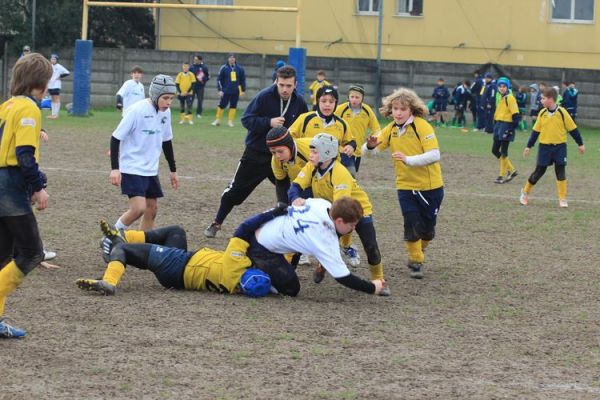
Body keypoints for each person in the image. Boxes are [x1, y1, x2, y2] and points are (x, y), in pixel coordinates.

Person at [204, 65, 308, 238]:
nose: (284, 89)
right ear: (276, 81)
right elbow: (246, 119)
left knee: (296, 194)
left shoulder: (300, 102)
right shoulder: (264, 96)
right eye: (281, 84)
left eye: (288, 86)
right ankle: (217, 222)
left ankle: (298, 233)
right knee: (235, 193)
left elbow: (306, 127)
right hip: (256, 154)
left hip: (283, 158)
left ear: (295, 85)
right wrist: (268, 122)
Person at [76, 215, 277, 297]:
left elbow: (244, 231)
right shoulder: (238, 286)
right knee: (176, 232)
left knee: (123, 251)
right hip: (182, 267)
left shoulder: (236, 264)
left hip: (176, 264)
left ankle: (109, 280)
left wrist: (272, 215)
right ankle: (119, 237)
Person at [363, 88, 444, 279]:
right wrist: (370, 146)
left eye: (402, 109)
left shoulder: (421, 126)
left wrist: (408, 160)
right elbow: (368, 151)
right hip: (405, 187)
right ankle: (416, 261)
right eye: (395, 109)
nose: (398, 113)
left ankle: (419, 251)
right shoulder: (391, 129)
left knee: (428, 231)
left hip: (431, 187)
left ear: (412, 110)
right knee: (411, 223)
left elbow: (435, 155)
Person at [0, 53, 53, 338]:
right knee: (32, 253)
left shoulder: (5, 106)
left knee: (2, 257)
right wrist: (38, 187)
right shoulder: (30, 109)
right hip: (9, 183)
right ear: (42, 84)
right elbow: (24, 155)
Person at [288, 134, 386, 284]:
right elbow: (295, 186)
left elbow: (342, 208)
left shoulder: (339, 173)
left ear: (327, 153)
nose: (310, 155)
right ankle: (322, 263)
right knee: (322, 239)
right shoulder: (311, 166)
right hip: (334, 211)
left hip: (357, 210)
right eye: (311, 151)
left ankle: (379, 279)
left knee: (370, 246)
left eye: (314, 152)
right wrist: (295, 198)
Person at [255, 196, 389, 296]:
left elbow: (300, 201)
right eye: (352, 225)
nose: (353, 228)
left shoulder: (322, 204)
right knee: (291, 289)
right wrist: (372, 287)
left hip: (262, 226)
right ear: (340, 221)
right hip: (261, 248)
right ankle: (252, 270)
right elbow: (344, 277)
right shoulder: (325, 239)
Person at [109, 74, 179, 232]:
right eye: (165, 97)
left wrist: (173, 170)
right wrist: (115, 168)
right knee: (138, 209)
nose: (168, 102)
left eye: (171, 98)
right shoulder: (136, 110)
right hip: (132, 167)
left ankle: (142, 245)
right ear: (155, 95)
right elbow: (115, 137)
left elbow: (167, 141)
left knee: (151, 209)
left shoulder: (165, 113)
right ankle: (111, 235)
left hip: (150, 169)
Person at [519, 87, 585, 208]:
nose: (541, 100)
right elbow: (535, 132)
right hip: (544, 147)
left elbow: (573, 129)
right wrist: (529, 146)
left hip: (560, 147)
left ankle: (562, 198)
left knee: (560, 171)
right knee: (539, 171)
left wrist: (580, 144)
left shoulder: (562, 112)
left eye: (543, 98)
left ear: (550, 99)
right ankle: (525, 192)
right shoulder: (542, 113)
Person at [288, 86, 356, 175]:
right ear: (317, 102)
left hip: (330, 171)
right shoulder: (305, 118)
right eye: (323, 101)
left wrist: (351, 146)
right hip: (306, 170)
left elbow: (351, 141)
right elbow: (288, 138)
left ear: (336, 103)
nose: (327, 104)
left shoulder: (342, 123)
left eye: (331, 101)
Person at [334, 84, 381, 174]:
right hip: (342, 149)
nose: (354, 99)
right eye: (352, 97)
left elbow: (376, 128)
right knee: (347, 174)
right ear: (348, 97)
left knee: (351, 178)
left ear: (362, 98)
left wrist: (374, 139)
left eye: (357, 97)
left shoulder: (367, 111)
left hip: (357, 151)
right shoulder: (341, 109)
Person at [491, 77, 519, 184]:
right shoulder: (501, 97)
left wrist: (510, 129)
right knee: (494, 150)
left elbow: (516, 116)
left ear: (507, 87)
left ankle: (501, 176)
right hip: (499, 125)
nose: (502, 88)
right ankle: (512, 170)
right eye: (500, 86)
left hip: (506, 126)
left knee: (503, 152)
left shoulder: (510, 98)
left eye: (504, 86)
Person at [212, 53, 246, 128]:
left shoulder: (240, 68)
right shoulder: (224, 68)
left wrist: (243, 90)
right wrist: (220, 90)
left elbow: (243, 80)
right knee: (221, 105)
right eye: (230, 58)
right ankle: (217, 120)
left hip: (235, 91)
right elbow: (219, 80)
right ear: (228, 59)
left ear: (235, 59)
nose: (232, 59)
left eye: (233, 58)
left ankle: (230, 121)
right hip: (225, 91)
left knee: (233, 106)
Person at [46, 54, 70, 120]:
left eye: (54, 59)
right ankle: (53, 114)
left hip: (56, 85)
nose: (53, 60)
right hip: (50, 84)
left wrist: (60, 76)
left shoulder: (59, 66)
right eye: (52, 59)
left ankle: (56, 114)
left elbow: (67, 72)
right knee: (52, 99)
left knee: (56, 98)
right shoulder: (49, 66)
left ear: (56, 60)